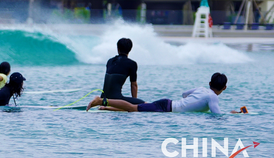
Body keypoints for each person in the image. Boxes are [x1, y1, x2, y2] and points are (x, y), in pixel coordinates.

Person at [86, 73, 239, 114]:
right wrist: (232, 114)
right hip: (166, 108)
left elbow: (185, 94)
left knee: (141, 107)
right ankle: (101, 101)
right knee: (134, 109)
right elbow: (217, 116)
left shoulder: (202, 89)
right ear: (224, 88)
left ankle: (106, 108)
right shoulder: (212, 97)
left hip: (168, 103)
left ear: (210, 83)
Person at [100, 38, 144, 105]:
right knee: (143, 104)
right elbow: (134, 85)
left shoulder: (110, 61)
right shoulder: (132, 64)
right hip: (116, 100)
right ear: (130, 49)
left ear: (118, 48)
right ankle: (109, 107)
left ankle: (104, 105)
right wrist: (134, 105)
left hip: (103, 98)